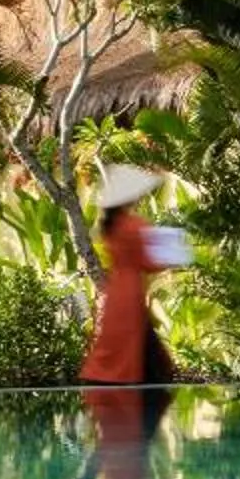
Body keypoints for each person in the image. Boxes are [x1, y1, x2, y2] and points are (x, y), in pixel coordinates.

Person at [81, 165, 177, 409]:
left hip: (115, 292)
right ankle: (136, 412)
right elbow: (150, 262)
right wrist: (173, 253)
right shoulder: (134, 224)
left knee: (126, 347)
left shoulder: (110, 226)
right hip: (131, 291)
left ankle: (128, 407)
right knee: (142, 354)